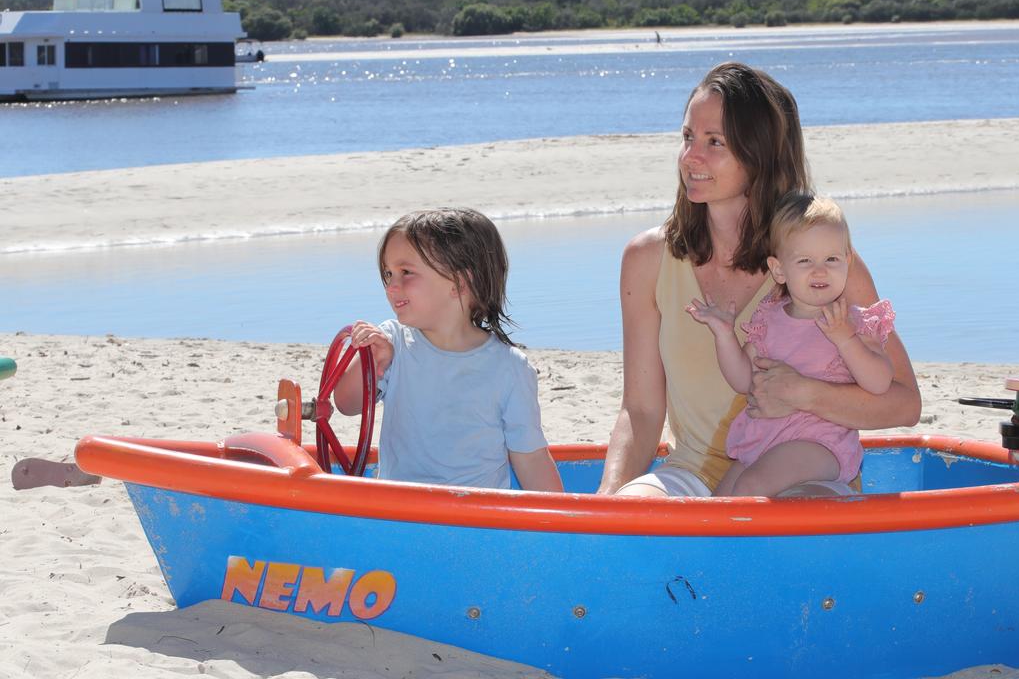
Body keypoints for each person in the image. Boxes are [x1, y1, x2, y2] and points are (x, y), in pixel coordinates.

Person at [597, 62, 921, 499]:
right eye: (688, 137)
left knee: (789, 516)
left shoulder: (821, 266)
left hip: (804, 472)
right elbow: (640, 410)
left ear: (760, 153)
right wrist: (605, 508)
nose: (691, 157)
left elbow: (904, 403)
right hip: (693, 471)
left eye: (715, 143)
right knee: (636, 508)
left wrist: (806, 393)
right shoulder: (647, 259)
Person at [334, 208, 563, 493]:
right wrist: (373, 365)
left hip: (474, 521)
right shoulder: (394, 343)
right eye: (388, 273)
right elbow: (345, 404)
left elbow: (531, 458)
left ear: (460, 283)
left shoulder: (509, 368)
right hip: (399, 513)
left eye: (406, 272)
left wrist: (564, 525)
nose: (392, 285)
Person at [687, 191, 896, 496]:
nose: (820, 270)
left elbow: (879, 383)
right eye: (805, 261)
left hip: (819, 443)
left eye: (831, 259)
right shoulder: (770, 318)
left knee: (752, 486)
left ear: (848, 261)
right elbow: (744, 379)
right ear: (779, 269)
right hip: (766, 441)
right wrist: (725, 336)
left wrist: (845, 338)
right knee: (720, 501)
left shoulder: (853, 321)